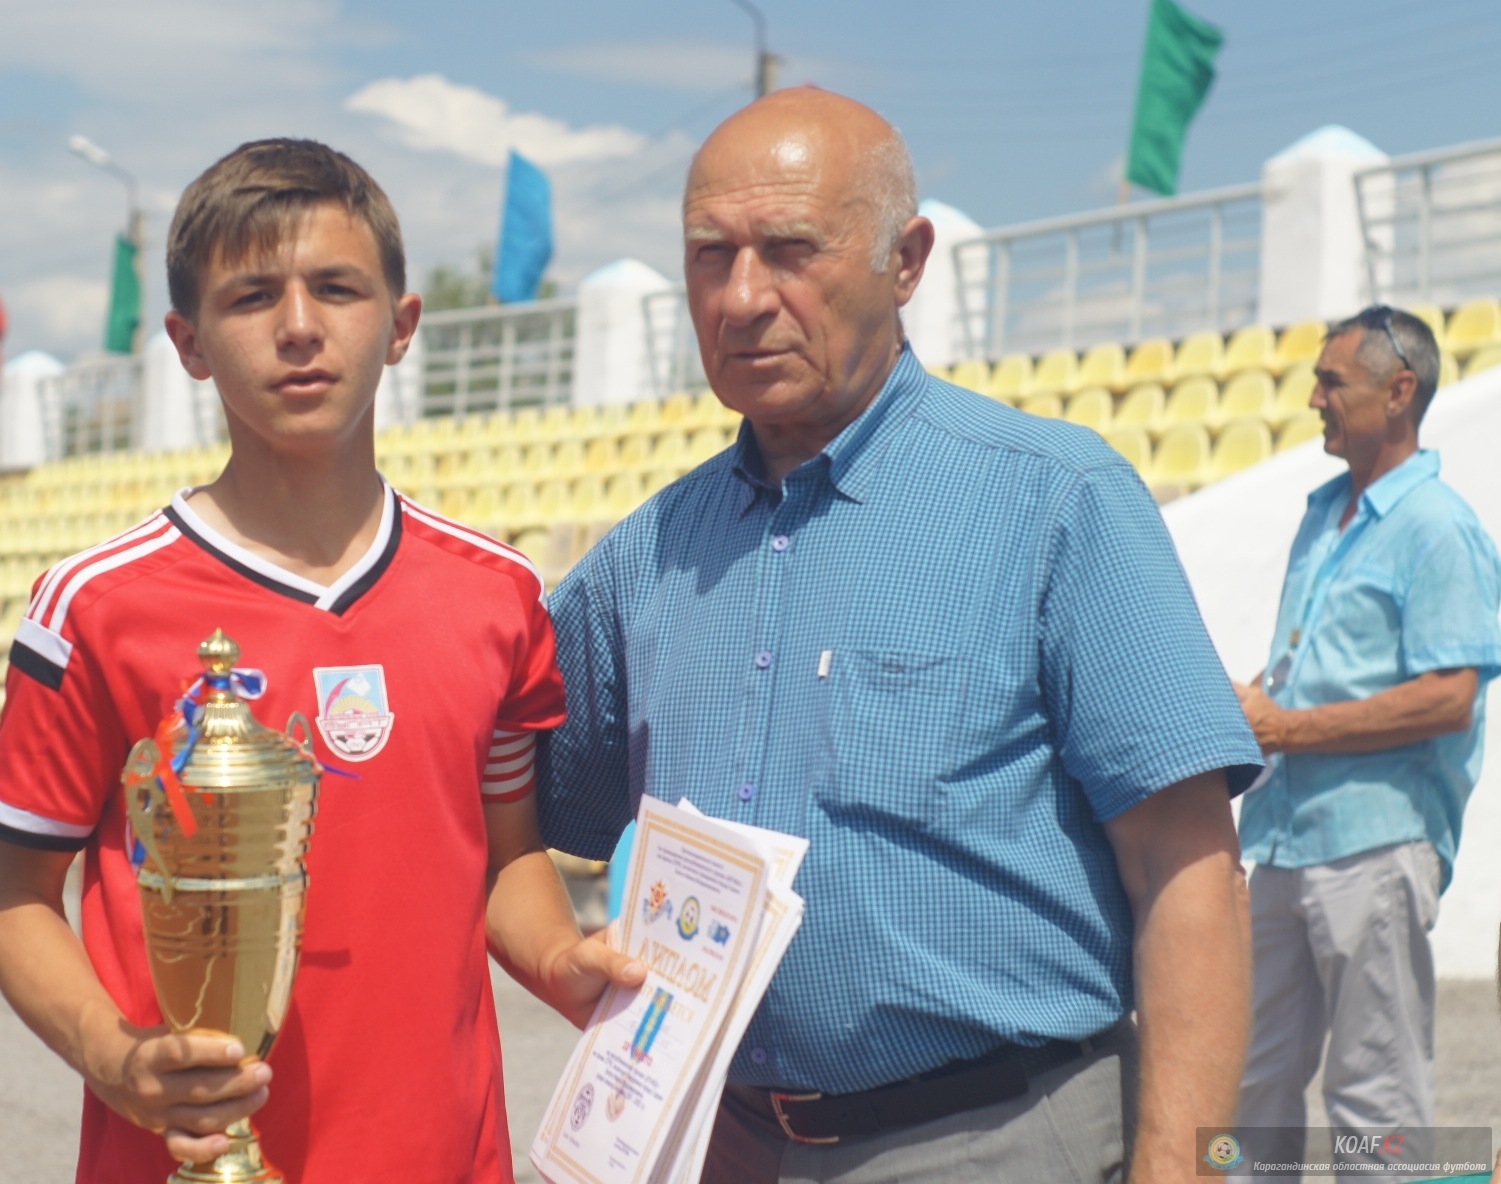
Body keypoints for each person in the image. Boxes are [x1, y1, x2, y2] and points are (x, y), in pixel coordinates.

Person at [535, 87, 1264, 1184]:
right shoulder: (646, 557)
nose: (743, 297)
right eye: (709, 255)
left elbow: (1187, 865)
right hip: (720, 1140)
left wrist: (1185, 1166)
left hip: (995, 1137)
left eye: (791, 249)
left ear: (906, 261)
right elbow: (497, 802)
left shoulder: (1053, 502)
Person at [0, 138, 641, 1183]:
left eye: (336, 287)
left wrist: (561, 957)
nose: (297, 326)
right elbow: (8, 898)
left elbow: (503, 858)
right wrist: (114, 1057)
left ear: (400, 325)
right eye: (250, 296)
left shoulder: (497, 595)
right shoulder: (96, 606)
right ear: (188, 343)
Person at [1233, 307, 1501, 1157]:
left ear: (1399, 393)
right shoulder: (1323, 514)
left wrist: (1285, 726)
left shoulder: (1440, 527)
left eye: (1331, 382)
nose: (1314, 398)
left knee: (1376, 1105)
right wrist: (1249, 708)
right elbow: (1306, 671)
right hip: (1281, 843)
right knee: (1244, 1086)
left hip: (1375, 850)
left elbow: (1448, 698)